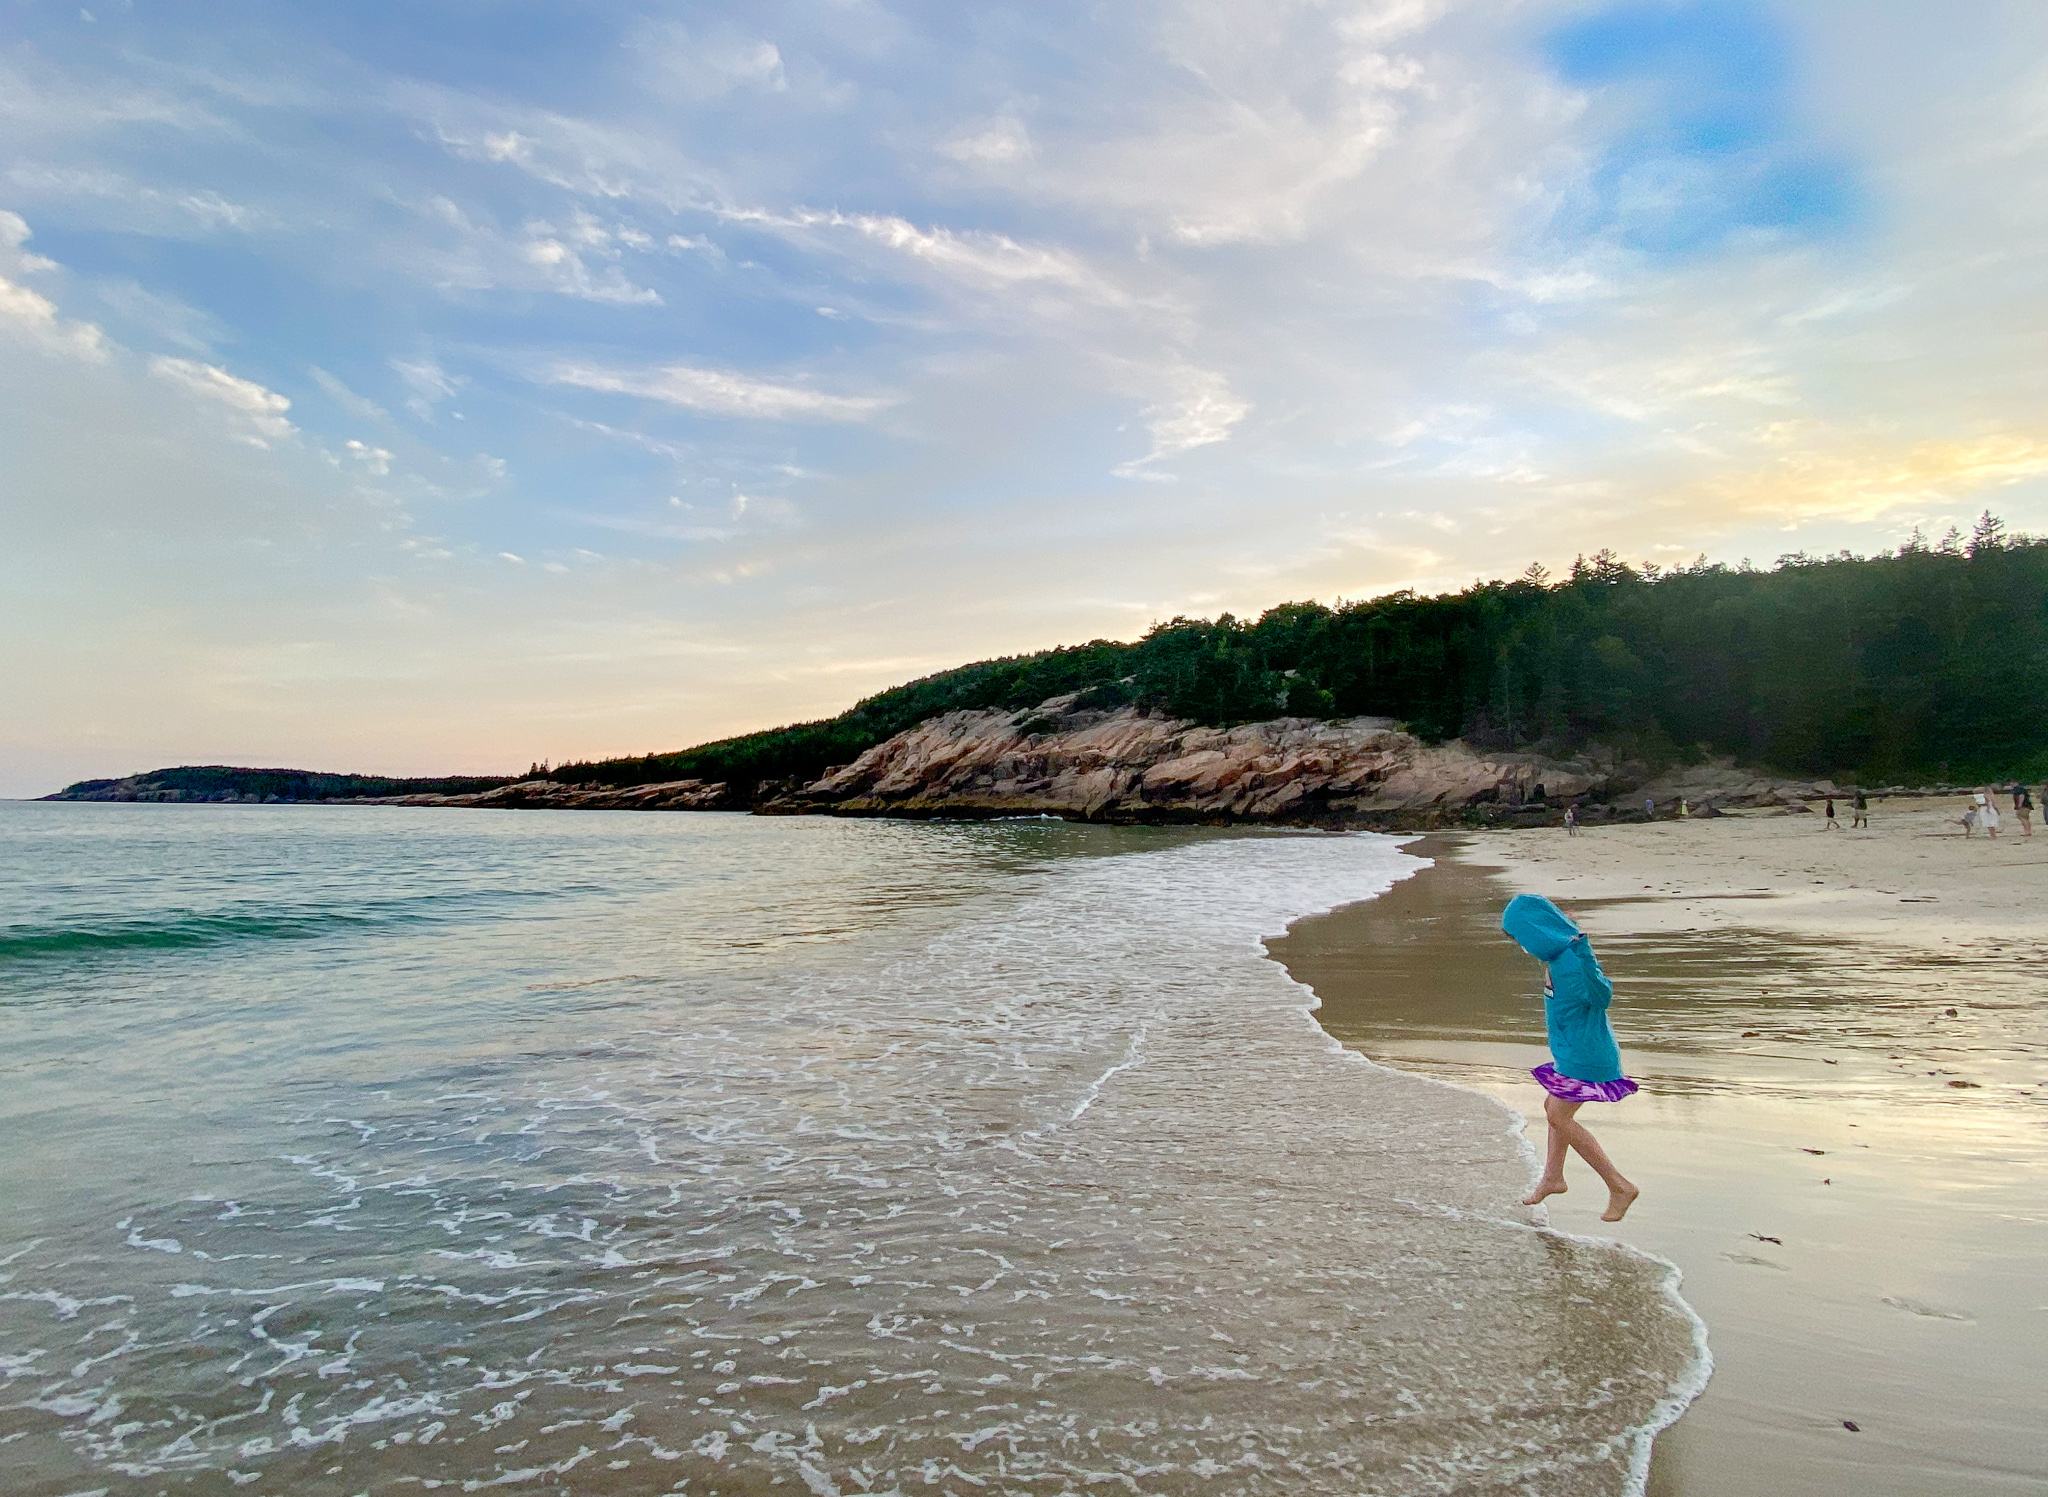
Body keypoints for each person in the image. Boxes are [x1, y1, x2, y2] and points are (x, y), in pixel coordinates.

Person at [1501, 894, 1640, 1222]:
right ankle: (1553, 1177)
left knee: (1560, 1117)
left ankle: (1619, 1185)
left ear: (1536, 933)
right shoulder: (1559, 951)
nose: (1521, 946)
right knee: (1552, 1109)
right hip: (1569, 1052)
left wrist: (1583, 954)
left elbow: (1601, 996)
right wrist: (1570, 928)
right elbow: (1563, 934)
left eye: (1521, 938)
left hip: (1586, 1056)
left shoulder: (1573, 960)